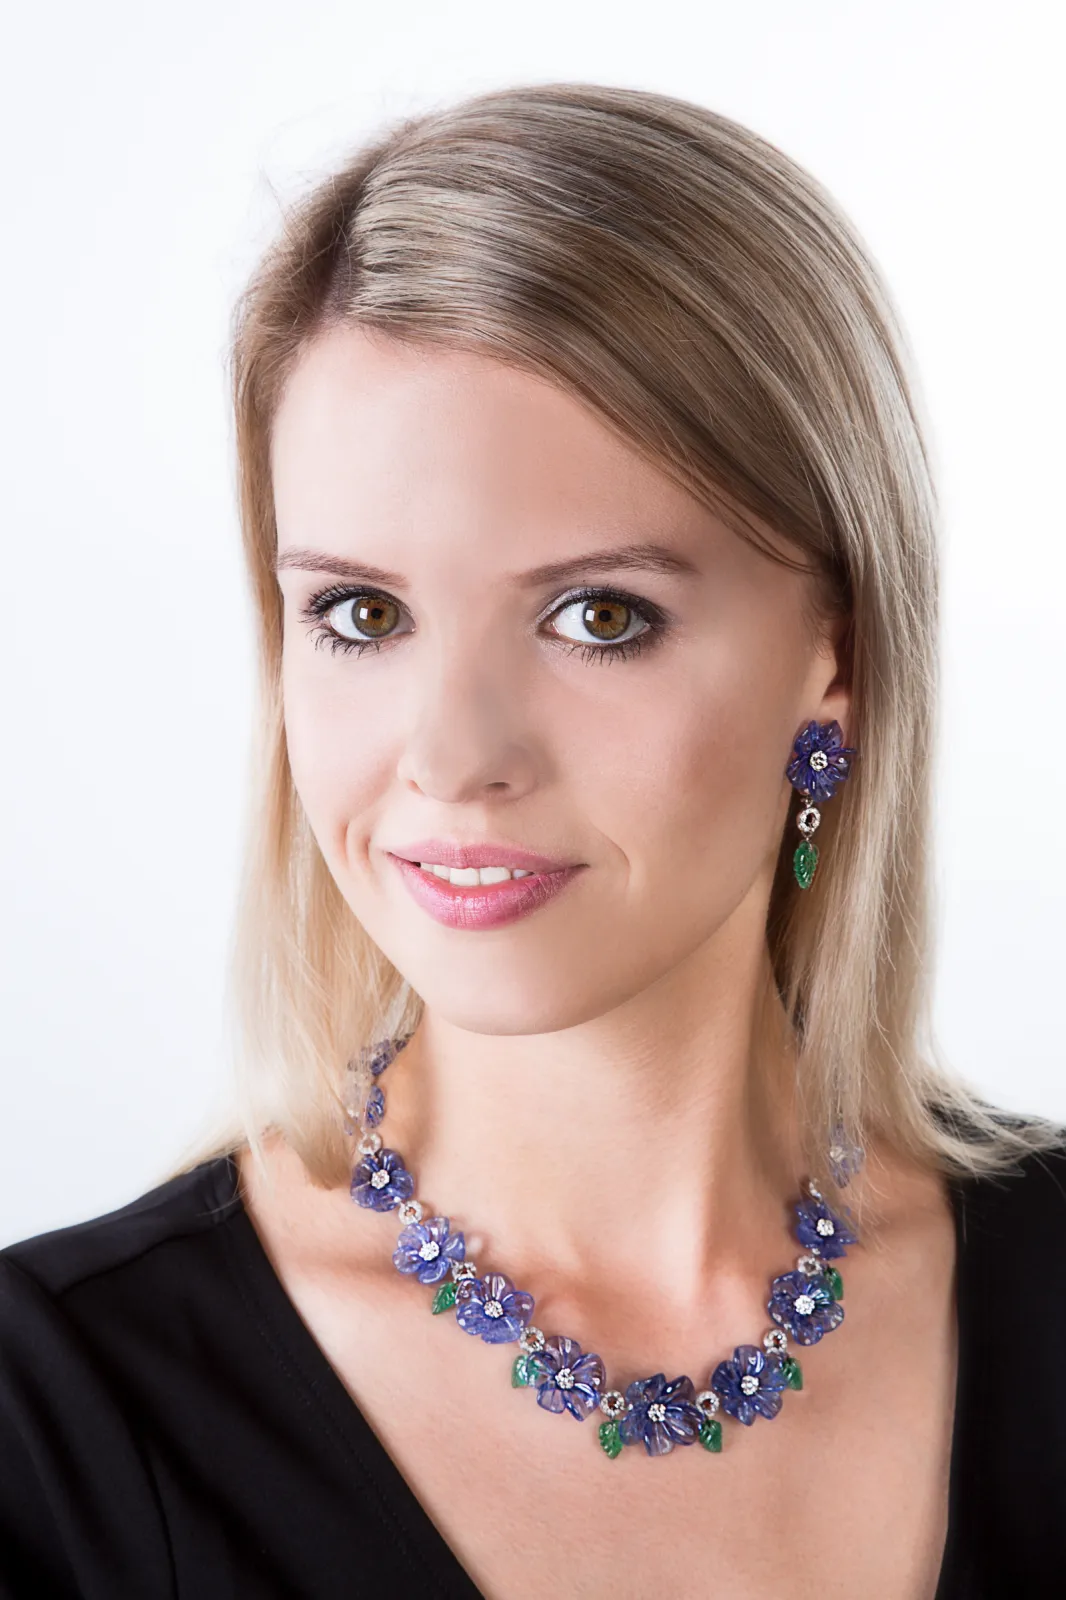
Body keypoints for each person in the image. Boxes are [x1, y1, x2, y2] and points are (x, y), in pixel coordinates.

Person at [1, 80, 1063, 1600]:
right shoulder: (52, 1426)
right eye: (360, 613)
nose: (449, 757)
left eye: (597, 615)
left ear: (835, 651)